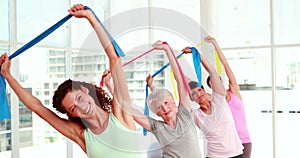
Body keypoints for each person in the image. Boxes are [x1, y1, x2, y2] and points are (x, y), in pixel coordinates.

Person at [0, 4, 142, 158]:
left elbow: (114, 59)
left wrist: (90, 17)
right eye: (73, 109)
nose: (81, 107)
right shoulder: (81, 135)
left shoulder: (120, 113)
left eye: (79, 98)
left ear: (85, 90)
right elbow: (38, 108)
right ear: (73, 115)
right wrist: (7, 74)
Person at [127, 41, 202, 158]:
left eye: (167, 103)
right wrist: (110, 85)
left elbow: (179, 78)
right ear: (157, 113)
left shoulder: (184, 114)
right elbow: (129, 110)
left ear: (173, 102)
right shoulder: (158, 127)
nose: (165, 108)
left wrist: (167, 49)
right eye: (160, 108)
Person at [182, 46, 244, 158]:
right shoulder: (195, 115)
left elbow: (212, 72)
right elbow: (181, 87)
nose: (198, 94)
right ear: (192, 99)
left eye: (199, 90)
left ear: (204, 90)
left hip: (236, 154)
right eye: (193, 94)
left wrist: (196, 54)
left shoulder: (219, 101)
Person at [204, 36, 252, 158]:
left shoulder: (234, 91)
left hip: (244, 140)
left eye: (215, 81)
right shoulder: (214, 100)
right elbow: (193, 92)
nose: (215, 84)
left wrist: (215, 44)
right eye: (211, 84)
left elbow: (226, 65)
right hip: (227, 144)